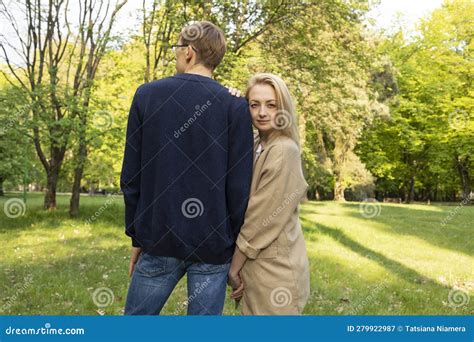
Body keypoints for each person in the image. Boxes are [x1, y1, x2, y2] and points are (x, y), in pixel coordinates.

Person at [120, 21, 254, 315]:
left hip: (158, 238)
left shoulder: (146, 95)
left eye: (178, 48)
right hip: (212, 245)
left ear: (190, 52)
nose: (177, 54)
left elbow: (131, 178)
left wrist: (137, 236)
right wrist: (227, 239)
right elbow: (239, 187)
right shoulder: (234, 106)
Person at [227, 73, 310, 315]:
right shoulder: (256, 143)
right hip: (257, 264)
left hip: (275, 270)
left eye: (271, 105)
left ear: (282, 107)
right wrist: (229, 101)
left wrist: (233, 268)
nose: (262, 112)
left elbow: (261, 217)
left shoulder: (283, 149)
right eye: (254, 105)